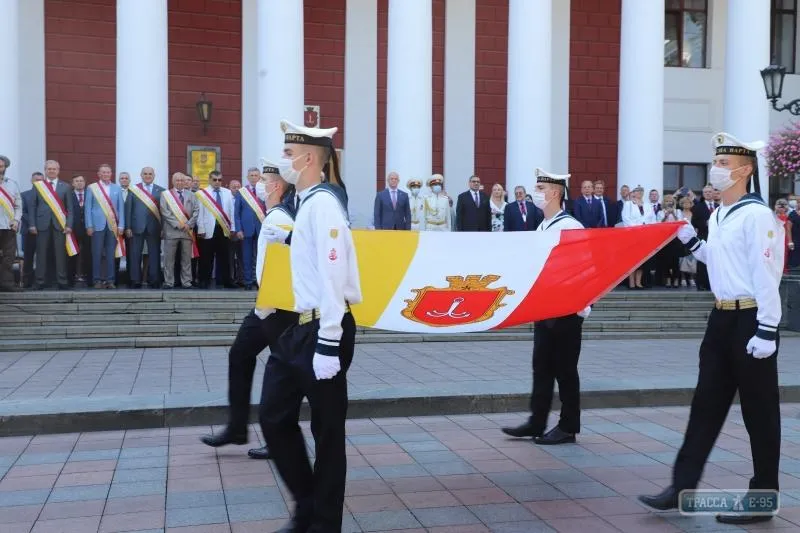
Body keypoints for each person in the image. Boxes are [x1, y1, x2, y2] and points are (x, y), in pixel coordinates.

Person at [639, 133, 784, 525]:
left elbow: (766, 274)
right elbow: (720, 263)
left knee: (760, 414)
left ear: (745, 169)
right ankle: (680, 486)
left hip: (751, 319)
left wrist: (768, 329)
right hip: (720, 317)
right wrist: (691, 241)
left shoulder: (757, 216)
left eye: (723, 163)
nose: (716, 169)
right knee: (705, 406)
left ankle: (763, 497)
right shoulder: (720, 213)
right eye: (716, 161)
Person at [259, 119, 362, 533]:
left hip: (323, 328)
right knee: (272, 415)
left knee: (327, 431)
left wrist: (328, 341)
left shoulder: (323, 205)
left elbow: (334, 274)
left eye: (288, 154)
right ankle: (307, 503)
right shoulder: (304, 204)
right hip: (296, 328)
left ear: (306, 158)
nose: (283, 161)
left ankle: (323, 523)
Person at [201, 162, 298, 460]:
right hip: (265, 305)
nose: (259, 185)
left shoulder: (281, 218)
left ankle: (279, 438)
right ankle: (237, 427)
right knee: (240, 355)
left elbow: (298, 248)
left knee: (283, 373)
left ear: (276, 187)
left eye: (265, 180)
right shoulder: (275, 215)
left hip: (280, 308)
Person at [501, 168, 590, 445]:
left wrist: (578, 308)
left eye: (540, 188)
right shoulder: (543, 226)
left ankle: (568, 426)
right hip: (544, 310)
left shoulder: (571, 227)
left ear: (554, 193)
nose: (535, 193)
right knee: (541, 367)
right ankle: (537, 420)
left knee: (565, 371)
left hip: (565, 312)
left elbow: (584, 269)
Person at [0, 155, 22, 292]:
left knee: (9, 257)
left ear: (5, 168)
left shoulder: (12, 184)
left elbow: (18, 206)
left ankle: (7, 283)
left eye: (1, 166)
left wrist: (16, 220)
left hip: (8, 226)